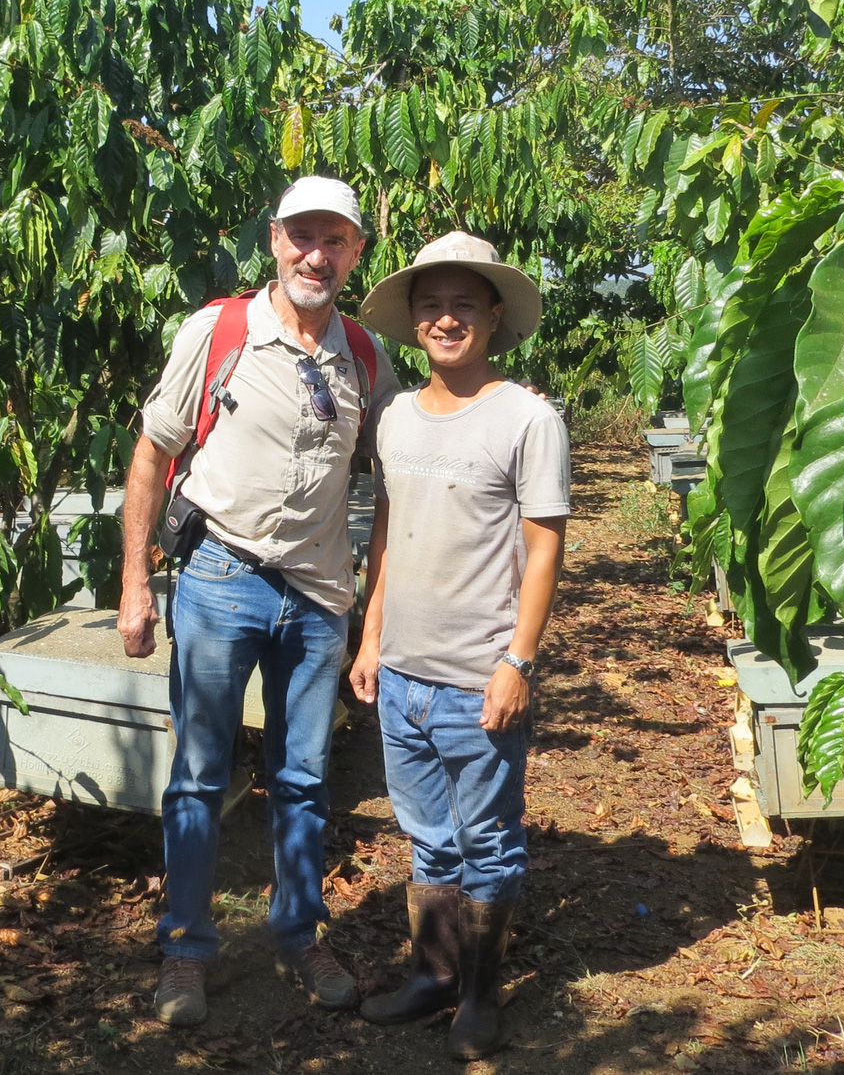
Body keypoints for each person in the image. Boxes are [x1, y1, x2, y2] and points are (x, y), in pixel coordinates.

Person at [118, 176, 402, 1028]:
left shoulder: (363, 352)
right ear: (275, 240)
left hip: (318, 596)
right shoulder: (220, 331)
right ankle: (186, 951)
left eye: (337, 241)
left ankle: (300, 934)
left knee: (305, 779)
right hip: (219, 581)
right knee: (200, 777)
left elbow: (401, 469)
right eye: (302, 238)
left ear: (356, 252)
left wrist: (375, 613)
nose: (317, 255)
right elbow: (151, 453)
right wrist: (135, 582)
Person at [348, 231, 569, 1060]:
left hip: (480, 680)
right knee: (428, 838)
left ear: (494, 316)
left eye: (463, 305)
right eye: (432, 305)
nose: (447, 319)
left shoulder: (527, 419)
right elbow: (388, 535)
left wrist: (517, 662)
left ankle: (481, 994)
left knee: (488, 841)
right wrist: (371, 640)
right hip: (402, 675)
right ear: (413, 321)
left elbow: (544, 546)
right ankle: (434, 974)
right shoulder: (396, 417)